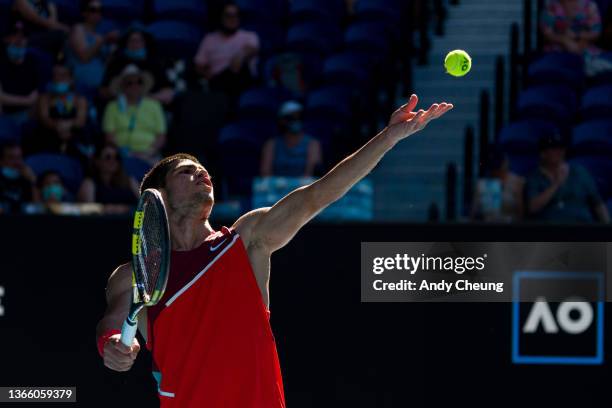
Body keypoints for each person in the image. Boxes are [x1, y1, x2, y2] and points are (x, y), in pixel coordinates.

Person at [95, 94, 453, 406]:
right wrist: (112, 345)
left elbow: (318, 194)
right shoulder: (134, 274)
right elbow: (112, 322)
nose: (202, 173)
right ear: (159, 198)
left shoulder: (247, 239)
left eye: (204, 170)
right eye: (188, 172)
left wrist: (388, 138)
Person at [525, 132, 610, 223]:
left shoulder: (579, 172)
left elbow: (598, 203)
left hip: (581, 227)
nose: (560, 152)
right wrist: (556, 184)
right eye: (554, 149)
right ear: (543, 153)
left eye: (561, 148)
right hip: (550, 230)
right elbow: (533, 207)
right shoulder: (534, 177)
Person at [194, 2, 259, 101]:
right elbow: (199, 64)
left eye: (236, 15)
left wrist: (240, 55)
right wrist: (207, 74)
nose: (233, 19)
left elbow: (252, 49)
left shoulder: (249, 36)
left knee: (240, 71)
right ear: (221, 17)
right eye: (228, 15)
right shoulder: (209, 39)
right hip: (217, 80)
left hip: (241, 77)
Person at [102, 64, 167, 163]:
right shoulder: (112, 107)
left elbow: (161, 136)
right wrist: (124, 153)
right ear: (122, 86)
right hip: (121, 155)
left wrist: (149, 152)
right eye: (129, 83)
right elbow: (109, 136)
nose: (134, 86)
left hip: (149, 155)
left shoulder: (154, 105)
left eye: (139, 82)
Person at [101, 26, 174, 106]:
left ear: (145, 43)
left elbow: (168, 93)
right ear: (126, 43)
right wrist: (126, 98)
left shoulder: (154, 63)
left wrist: (146, 99)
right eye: (132, 40)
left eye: (139, 40)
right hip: (121, 107)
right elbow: (103, 91)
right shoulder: (116, 63)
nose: (135, 43)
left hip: (150, 106)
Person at [33, 61, 88, 160]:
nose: (58, 79)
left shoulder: (79, 100)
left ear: (71, 79)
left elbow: (81, 120)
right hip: (49, 136)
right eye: (55, 76)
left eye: (63, 76)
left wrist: (68, 125)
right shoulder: (45, 98)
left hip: (73, 136)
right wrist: (58, 126)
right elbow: (44, 118)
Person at [66, 0, 119, 101]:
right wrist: (104, 40)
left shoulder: (100, 36)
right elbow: (84, 57)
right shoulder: (78, 29)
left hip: (99, 90)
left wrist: (112, 51)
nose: (97, 13)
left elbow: (105, 64)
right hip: (80, 87)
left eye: (100, 10)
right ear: (84, 12)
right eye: (93, 10)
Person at [260, 100, 323, 177]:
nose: (296, 120)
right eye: (291, 117)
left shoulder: (313, 144)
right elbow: (265, 174)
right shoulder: (271, 144)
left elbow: (310, 175)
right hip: (276, 188)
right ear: (282, 120)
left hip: (303, 187)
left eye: (299, 117)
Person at [0, 20, 40, 128]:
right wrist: (26, 101)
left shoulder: (33, 61)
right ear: (6, 38)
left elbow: (36, 96)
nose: (19, 39)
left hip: (25, 115)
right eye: (15, 35)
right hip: (4, 115)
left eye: (23, 36)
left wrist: (30, 103)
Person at [77, 143, 139, 213]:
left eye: (116, 157)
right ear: (97, 161)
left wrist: (128, 210)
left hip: (132, 222)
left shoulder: (129, 181)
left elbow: (144, 207)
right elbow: (85, 211)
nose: (113, 161)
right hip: (102, 222)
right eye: (108, 157)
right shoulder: (89, 183)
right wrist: (105, 209)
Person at [470, 147, 524, 222]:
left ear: (505, 163)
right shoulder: (482, 185)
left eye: (498, 168)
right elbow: (473, 214)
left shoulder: (517, 182)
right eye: (493, 169)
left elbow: (521, 214)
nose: (496, 172)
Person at [0, 141, 37, 213]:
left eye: (19, 157)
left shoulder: (27, 179)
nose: (17, 162)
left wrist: (33, 182)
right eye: (11, 158)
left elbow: (37, 209)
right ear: (1, 161)